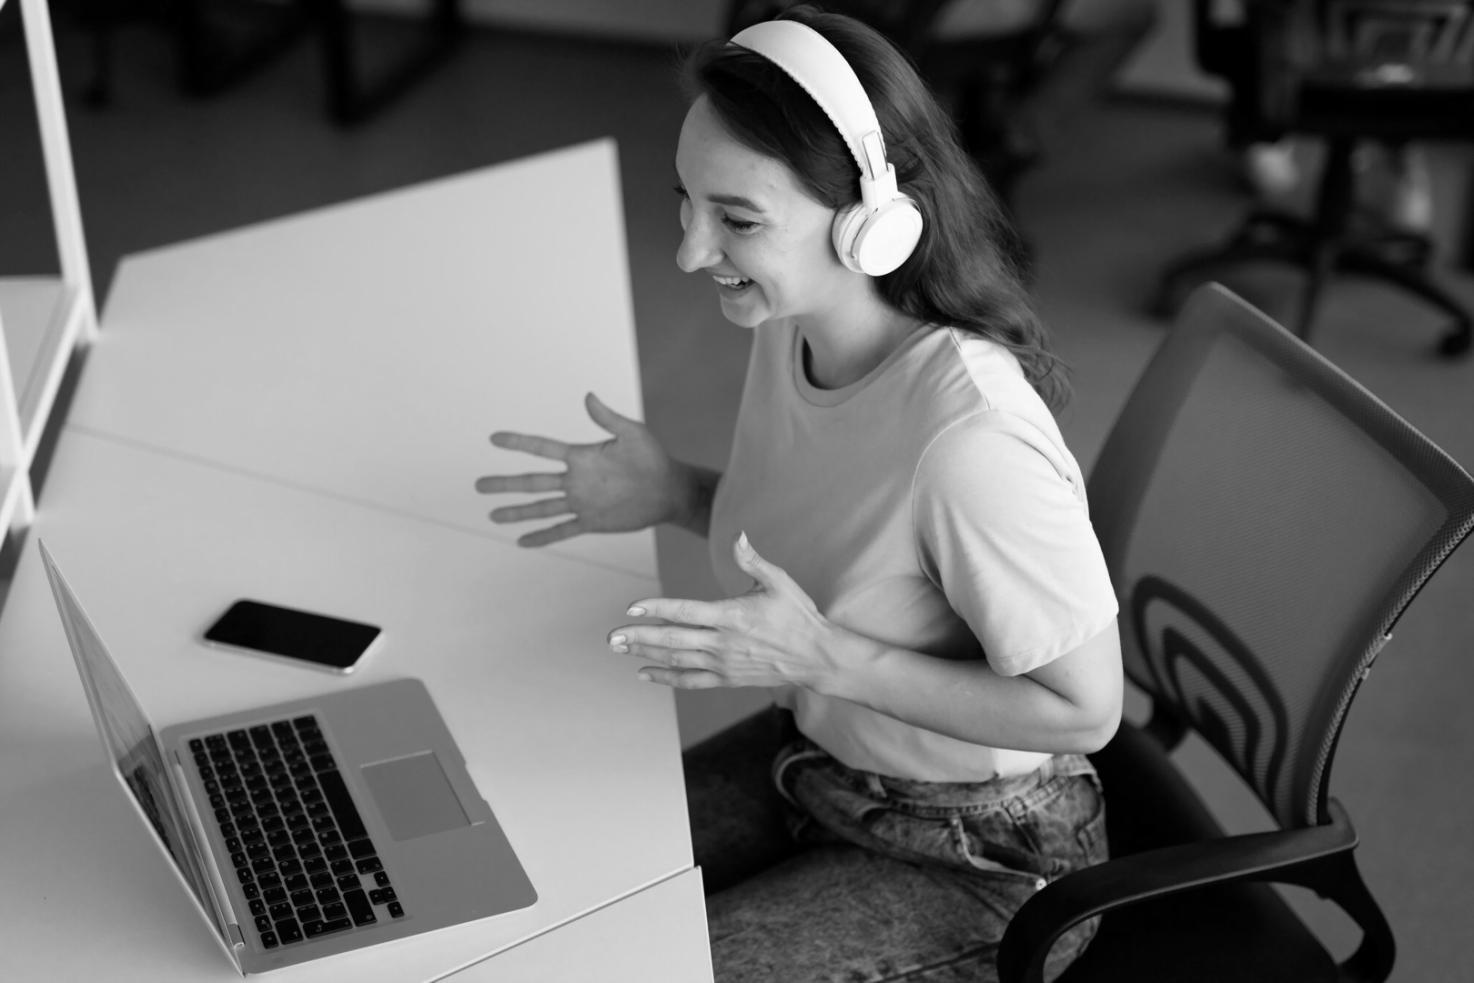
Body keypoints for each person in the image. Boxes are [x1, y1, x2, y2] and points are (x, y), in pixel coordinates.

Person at [475, 6, 1122, 980]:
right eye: (687, 202)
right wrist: (673, 488)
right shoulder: (793, 320)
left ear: (872, 223)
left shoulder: (970, 440)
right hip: (819, 762)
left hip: (979, 855)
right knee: (543, 872)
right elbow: (850, 545)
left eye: (737, 220)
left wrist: (822, 654)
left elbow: (1083, 711)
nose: (693, 253)